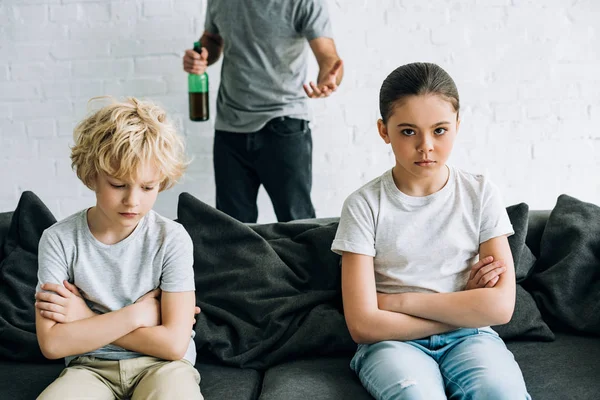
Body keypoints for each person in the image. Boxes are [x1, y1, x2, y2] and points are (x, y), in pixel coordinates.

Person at [331, 63, 531, 399]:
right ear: (384, 131)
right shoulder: (363, 205)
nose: (426, 146)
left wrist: (396, 303)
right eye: (408, 131)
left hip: (472, 337)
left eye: (439, 130)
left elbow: (499, 308)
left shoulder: (480, 193)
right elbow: (363, 324)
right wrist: (464, 307)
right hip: (390, 343)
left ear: (457, 126)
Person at [34, 97, 203, 399]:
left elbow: (174, 344)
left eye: (147, 187)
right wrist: (138, 314)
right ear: (92, 177)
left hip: (163, 366)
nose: (133, 201)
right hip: (89, 367)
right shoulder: (58, 239)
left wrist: (85, 317)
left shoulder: (172, 238)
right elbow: (53, 344)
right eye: (118, 185)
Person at [182, 0, 344, 223]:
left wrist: (329, 78)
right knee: (233, 229)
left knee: (297, 225)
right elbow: (212, 38)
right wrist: (200, 56)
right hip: (229, 127)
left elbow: (328, 56)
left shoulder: (304, 2)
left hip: (284, 125)